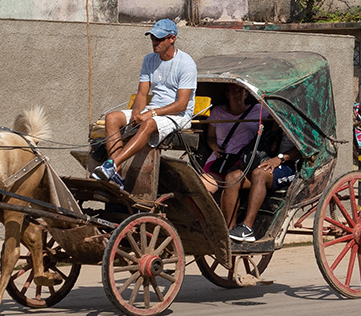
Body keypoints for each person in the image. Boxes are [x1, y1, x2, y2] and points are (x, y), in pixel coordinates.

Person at [93, 19, 197, 189]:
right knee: (112, 118)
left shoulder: (186, 63)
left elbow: (181, 104)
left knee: (148, 123)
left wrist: (150, 114)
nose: (154, 42)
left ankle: (112, 164)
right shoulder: (149, 60)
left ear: (172, 38)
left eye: (159, 39)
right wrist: (136, 112)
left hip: (178, 115)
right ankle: (116, 175)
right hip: (154, 110)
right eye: (152, 38)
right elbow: (142, 94)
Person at [224, 122, 299, 243]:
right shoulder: (275, 120)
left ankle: (247, 227)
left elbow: (307, 149)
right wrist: (273, 129)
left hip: (291, 166)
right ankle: (230, 229)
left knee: (259, 174)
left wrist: (280, 158)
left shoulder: (300, 122)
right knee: (232, 177)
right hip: (269, 160)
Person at [199, 84, 264, 196]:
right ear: (227, 94)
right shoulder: (217, 111)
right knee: (202, 190)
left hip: (243, 161)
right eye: (233, 91)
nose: (237, 94)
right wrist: (214, 147)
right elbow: (210, 137)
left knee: (231, 181)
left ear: (246, 94)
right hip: (220, 160)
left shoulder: (259, 110)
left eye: (240, 91)